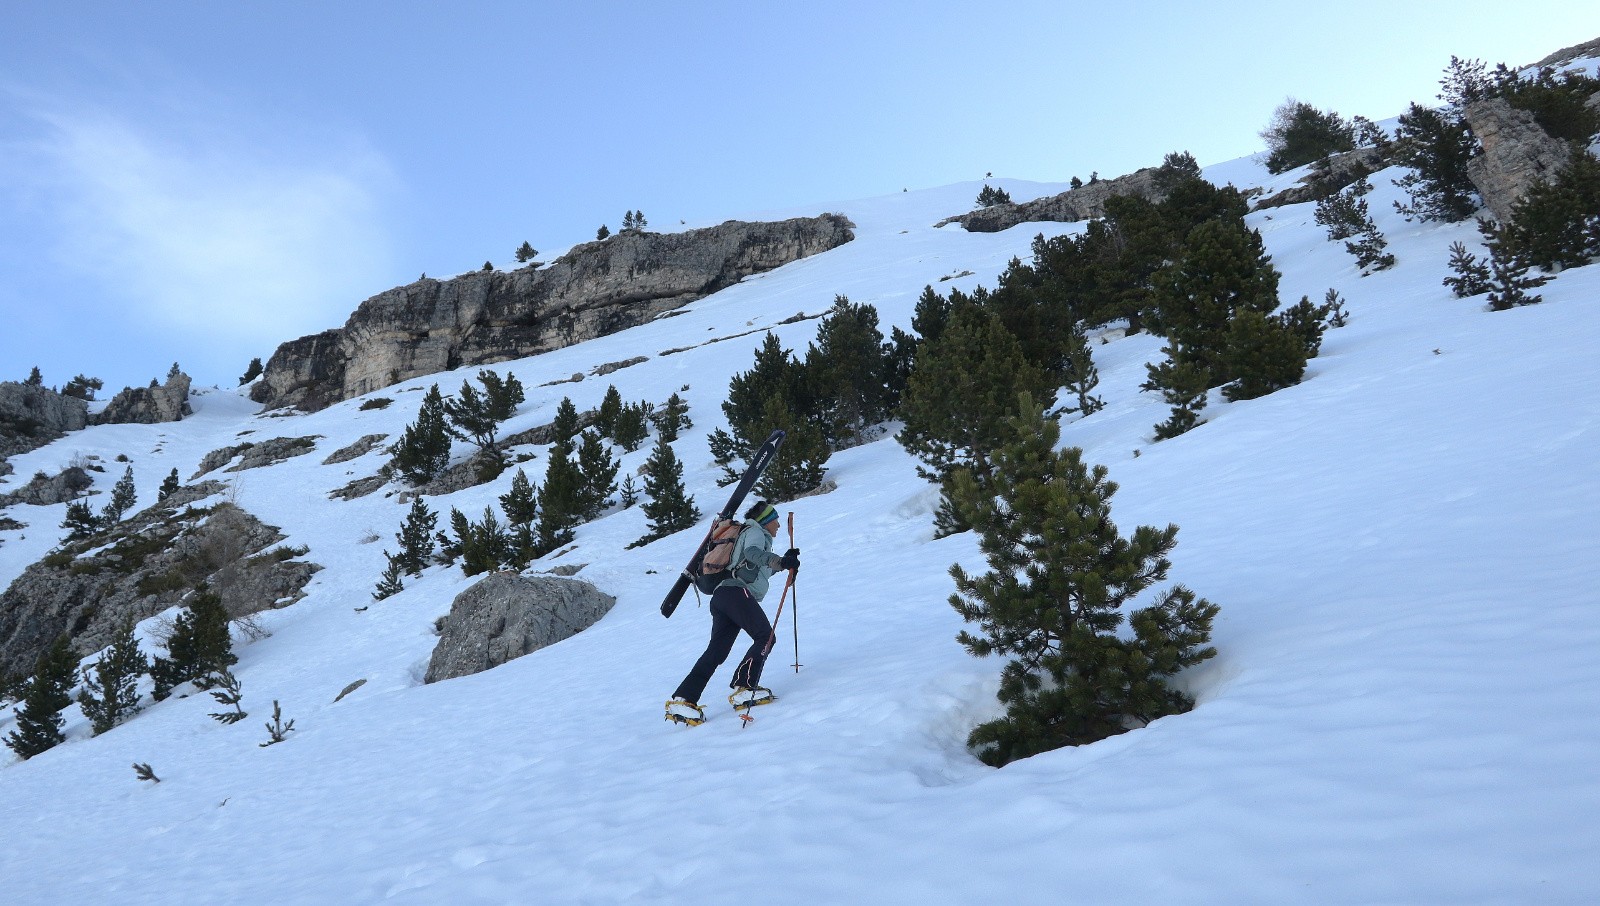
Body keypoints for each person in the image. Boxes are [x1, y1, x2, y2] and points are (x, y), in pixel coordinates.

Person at [666, 500, 800, 725]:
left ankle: (683, 699)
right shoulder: (755, 532)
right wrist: (780, 561)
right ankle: (744, 687)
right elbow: (753, 553)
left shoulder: (752, 536)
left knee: (716, 651)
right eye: (775, 520)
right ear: (765, 521)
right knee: (765, 636)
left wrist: (785, 564)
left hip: (724, 597)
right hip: (735, 593)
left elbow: (758, 569)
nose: (778, 525)